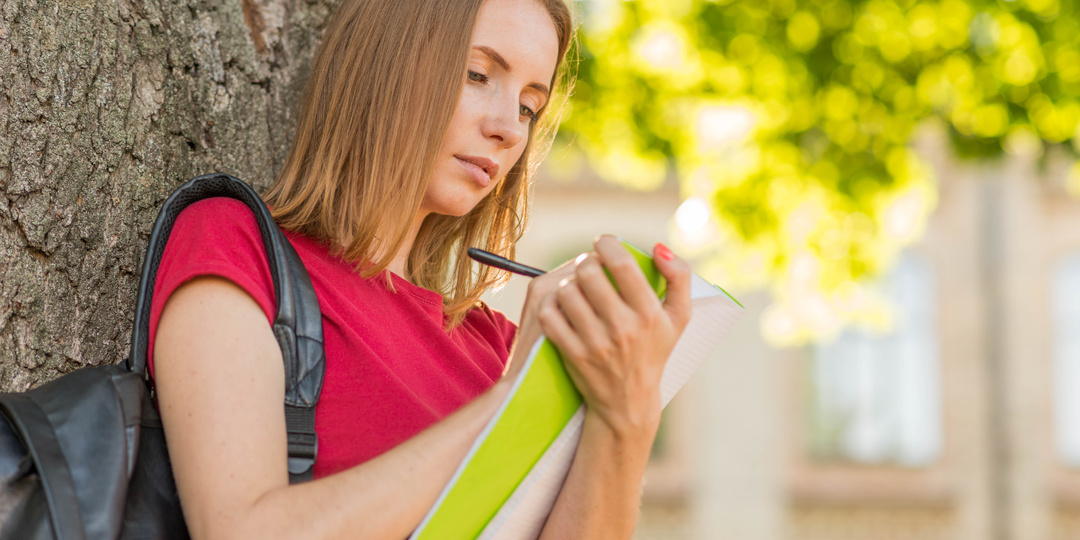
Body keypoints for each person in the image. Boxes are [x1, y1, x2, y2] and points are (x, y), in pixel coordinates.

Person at [150, 0, 692, 537]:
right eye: (478, 74)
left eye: (529, 107)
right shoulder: (231, 241)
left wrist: (627, 413)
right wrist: (509, 401)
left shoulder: (499, 349)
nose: (510, 128)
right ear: (386, 60)